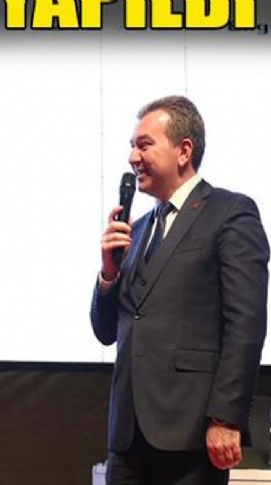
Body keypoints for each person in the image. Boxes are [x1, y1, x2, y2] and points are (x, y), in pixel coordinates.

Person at [91, 95, 269, 484]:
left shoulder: (230, 213)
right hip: (128, 439)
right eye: (131, 147)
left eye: (144, 145)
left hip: (191, 435)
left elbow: (246, 322)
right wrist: (108, 276)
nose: (132, 158)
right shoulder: (137, 230)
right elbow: (105, 331)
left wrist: (226, 418)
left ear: (184, 151)